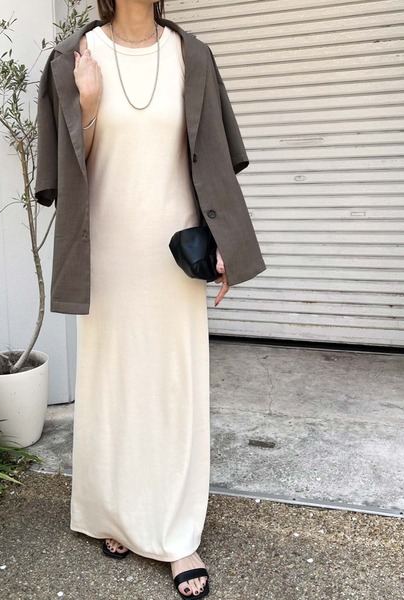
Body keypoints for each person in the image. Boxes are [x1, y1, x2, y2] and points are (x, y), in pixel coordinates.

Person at [35, 1, 266, 597]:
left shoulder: (193, 56)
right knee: (113, 384)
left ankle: (175, 531)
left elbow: (216, 164)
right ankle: (116, 513)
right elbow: (68, 169)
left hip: (172, 249)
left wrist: (225, 241)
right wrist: (88, 103)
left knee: (172, 385)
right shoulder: (75, 57)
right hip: (107, 249)